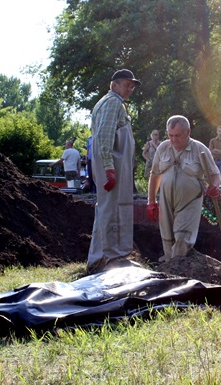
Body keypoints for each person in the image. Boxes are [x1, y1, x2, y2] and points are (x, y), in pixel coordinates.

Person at [87, 69, 142, 275]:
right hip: (112, 167)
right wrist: (109, 168)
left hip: (111, 165)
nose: (130, 89)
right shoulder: (113, 103)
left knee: (106, 208)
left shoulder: (106, 102)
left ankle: (99, 257)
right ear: (115, 84)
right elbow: (104, 137)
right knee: (112, 209)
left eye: (132, 86)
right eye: (127, 84)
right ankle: (112, 257)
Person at [147, 115, 221, 261]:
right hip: (166, 201)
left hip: (190, 201)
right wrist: (151, 201)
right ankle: (169, 268)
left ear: (188, 132)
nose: (174, 140)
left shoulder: (199, 149)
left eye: (178, 136)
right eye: (170, 135)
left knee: (182, 237)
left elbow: (215, 174)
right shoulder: (163, 148)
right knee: (167, 238)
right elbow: (155, 174)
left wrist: (215, 186)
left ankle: (178, 268)